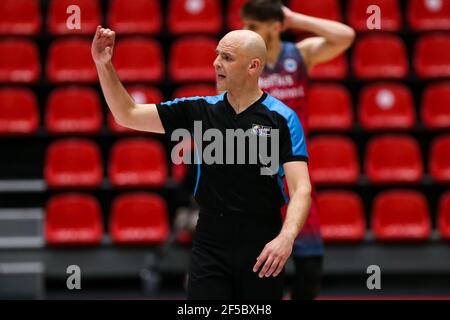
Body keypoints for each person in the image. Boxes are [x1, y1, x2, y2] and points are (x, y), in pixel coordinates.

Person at [92, 26, 312, 300]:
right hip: (210, 240)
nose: (216, 62)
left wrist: (286, 238)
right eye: (217, 54)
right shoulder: (199, 109)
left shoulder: (283, 118)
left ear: (253, 66)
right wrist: (104, 65)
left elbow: (301, 188)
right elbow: (128, 114)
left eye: (227, 57)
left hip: (262, 242)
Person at [240, 0, 355, 300]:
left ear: (275, 27)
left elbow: (346, 36)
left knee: (309, 274)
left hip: (295, 173)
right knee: (259, 275)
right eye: (244, 26)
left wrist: (293, 18)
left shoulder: (299, 55)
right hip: (256, 176)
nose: (245, 33)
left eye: (252, 27)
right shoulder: (241, 65)